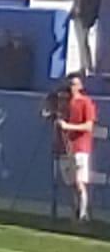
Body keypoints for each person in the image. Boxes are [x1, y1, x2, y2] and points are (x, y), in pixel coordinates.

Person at [48, 73, 96, 224]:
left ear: (80, 86)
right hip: (66, 147)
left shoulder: (86, 103)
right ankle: (76, 211)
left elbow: (89, 125)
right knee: (71, 183)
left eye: (75, 84)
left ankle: (82, 214)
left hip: (80, 146)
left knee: (79, 180)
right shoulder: (65, 103)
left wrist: (69, 126)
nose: (72, 88)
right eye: (70, 85)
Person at [73, 0, 102, 76]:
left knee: (85, 41)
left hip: (88, 16)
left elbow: (94, 0)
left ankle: (88, 66)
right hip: (77, 14)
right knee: (80, 41)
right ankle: (83, 66)